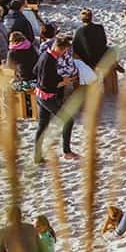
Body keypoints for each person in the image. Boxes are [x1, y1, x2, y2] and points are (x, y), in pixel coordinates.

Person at [33, 34, 78, 162]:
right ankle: (67, 152)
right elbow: (48, 83)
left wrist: (58, 79)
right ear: (61, 48)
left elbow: (35, 71)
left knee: (42, 126)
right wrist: (62, 82)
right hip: (47, 96)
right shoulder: (50, 60)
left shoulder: (44, 55)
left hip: (39, 94)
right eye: (64, 51)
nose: (64, 53)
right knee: (68, 120)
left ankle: (37, 156)